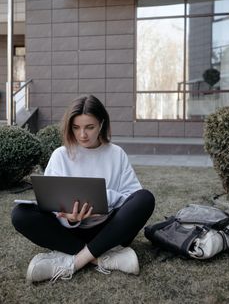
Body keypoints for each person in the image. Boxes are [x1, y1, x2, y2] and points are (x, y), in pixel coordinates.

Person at [11, 95, 155, 283]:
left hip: (109, 228)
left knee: (145, 198)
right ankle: (100, 257)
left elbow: (132, 196)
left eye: (89, 127)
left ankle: (75, 262)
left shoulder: (116, 154)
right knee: (20, 214)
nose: (82, 135)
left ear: (101, 124)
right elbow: (50, 201)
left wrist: (104, 200)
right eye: (76, 128)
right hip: (69, 232)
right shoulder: (60, 155)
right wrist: (69, 218)